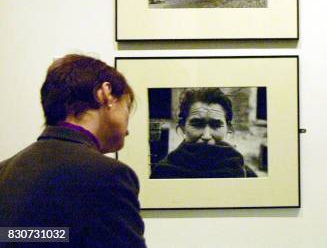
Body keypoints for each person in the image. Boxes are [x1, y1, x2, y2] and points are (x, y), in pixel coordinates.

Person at [0, 54, 146, 247]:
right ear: (106, 93)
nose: (127, 130)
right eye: (127, 107)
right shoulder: (109, 175)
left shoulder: (4, 171)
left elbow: (21, 236)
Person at [151, 88, 257, 179]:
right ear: (183, 127)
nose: (206, 136)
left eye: (216, 125)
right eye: (197, 124)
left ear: (228, 128)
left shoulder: (245, 175)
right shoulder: (163, 173)